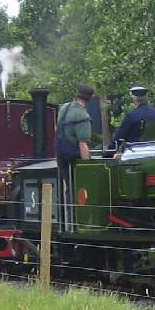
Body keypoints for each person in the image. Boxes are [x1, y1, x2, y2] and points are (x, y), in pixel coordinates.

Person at [56, 84, 96, 225]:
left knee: (69, 187)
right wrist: (88, 166)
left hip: (60, 154)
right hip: (73, 156)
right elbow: (83, 144)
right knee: (82, 187)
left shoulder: (64, 108)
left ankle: (71, 219)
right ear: (91, 97)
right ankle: (83, 221)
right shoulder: (83, 116)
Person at [113, 85, 155, 152]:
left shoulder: (131, 116)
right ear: (146, 97)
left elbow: (119, 137)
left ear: (134, 98)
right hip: (154, 151)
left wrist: (108, 153)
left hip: (134, 152)